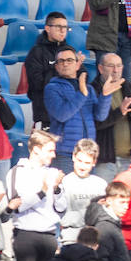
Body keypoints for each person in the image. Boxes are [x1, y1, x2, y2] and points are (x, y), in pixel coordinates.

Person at [9, 129, 67, 261]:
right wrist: (41, 192)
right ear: (36, 150)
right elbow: (18, 206)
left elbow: (62, 209)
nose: (54, 155)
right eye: (50, 150)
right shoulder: (18, 172)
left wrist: (56, 189)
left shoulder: (52, 173)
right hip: (26, 236)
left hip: (49, 236)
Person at [45, 43, 112, 172]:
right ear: (56, 67)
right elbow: (62, 115)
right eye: (61, 61)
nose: (65, 64)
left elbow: (100, 116)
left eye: (69, 60)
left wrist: (105, 96)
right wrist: (82, 94)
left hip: (87, 153)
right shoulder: (52, 88)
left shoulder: (89, 88)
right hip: (65, 153)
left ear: (77, 64)